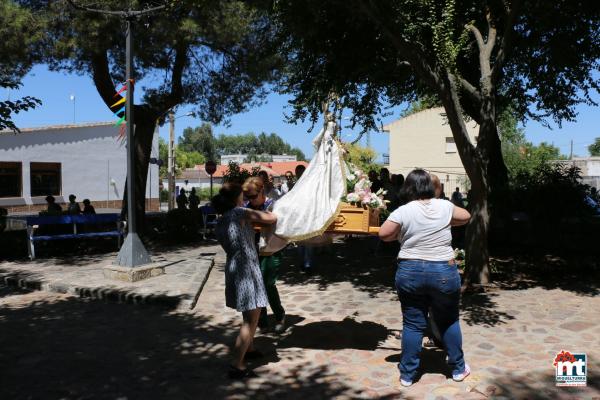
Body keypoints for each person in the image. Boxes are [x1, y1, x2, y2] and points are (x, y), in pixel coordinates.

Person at [379, 169, 471, 387]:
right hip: (443, 271)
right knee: (448, 321)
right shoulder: (445, 206)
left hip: (410, 271)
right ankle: (458, 369)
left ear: (408, 188)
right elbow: (466, 216)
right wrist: (448, 222)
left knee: (412, 325)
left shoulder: (404, 210)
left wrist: (398, 235)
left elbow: (383, 234)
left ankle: (408, 374)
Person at [212, 183, 277, 379]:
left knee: (248, 313)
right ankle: (237, 364)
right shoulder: (240, 213)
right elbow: (272, 218)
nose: (246, 199)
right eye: (243, 196)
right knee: (251, 318)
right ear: (236, 199)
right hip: (246, 268)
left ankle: (249, 349)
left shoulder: (221, 220)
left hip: (234, 266)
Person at [243, 177, 286, 333]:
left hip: (271, 250)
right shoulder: (246, 206)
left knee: (267, 283)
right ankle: (262, 320)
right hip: (252, 251)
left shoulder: (273, 205)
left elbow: (276, 224)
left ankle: (280, 315)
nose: (250, 200)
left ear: (261, 191)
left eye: (253, 196)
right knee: (256, 284)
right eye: (248, 197)